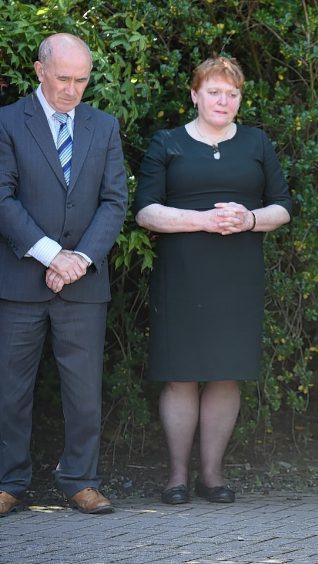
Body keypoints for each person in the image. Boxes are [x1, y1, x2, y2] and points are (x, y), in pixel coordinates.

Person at [134, 55, 291, 506]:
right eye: (215, 91)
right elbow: (146, 210)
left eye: (232, 93)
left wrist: (248, 219)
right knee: (180, 374)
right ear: (195, 94)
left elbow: (282, 206)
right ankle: (177, 477)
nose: (224, 100)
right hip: (182, 273)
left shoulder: (257, 143)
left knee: (226, 374)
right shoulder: (167, 143)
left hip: (238, 275)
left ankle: (212, 476)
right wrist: (201, 220)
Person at [0, 33, 128, 516]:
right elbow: (2, 198)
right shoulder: (8, 122)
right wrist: (54, 255)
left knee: (83, 390)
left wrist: (79, 261)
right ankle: (8, 481)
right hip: (19, 281)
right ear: (39, 70)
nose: (72, 90)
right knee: (9, 388)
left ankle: (81, 480)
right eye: (63, 78)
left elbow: (115, 200)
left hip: (84, 282)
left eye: (81, 80)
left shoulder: (104, 126)